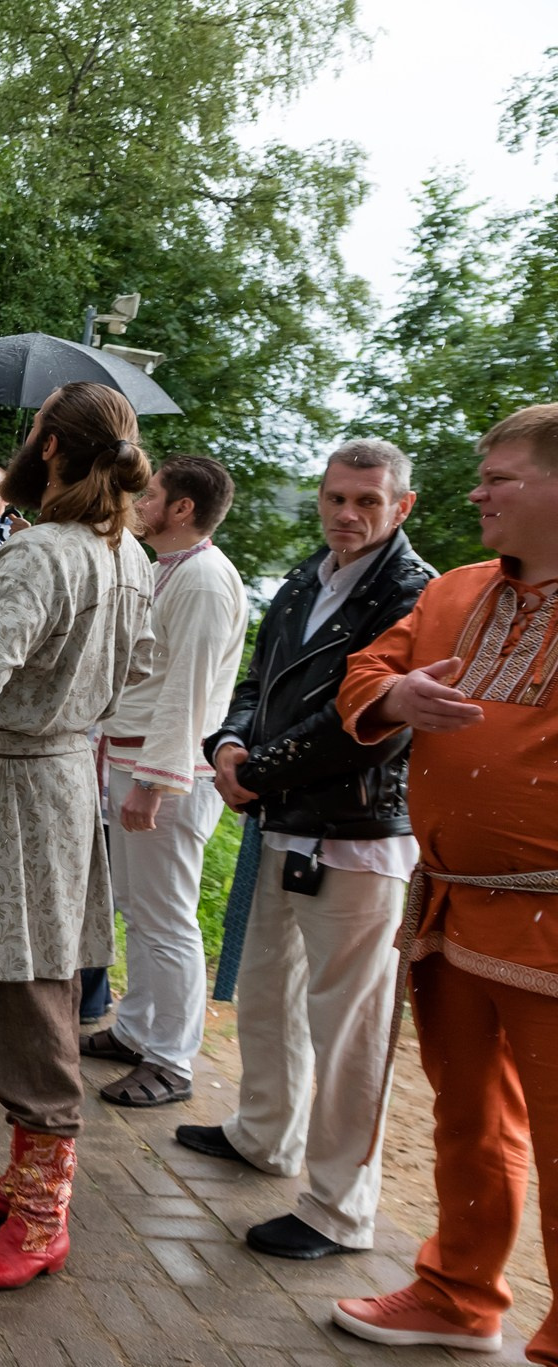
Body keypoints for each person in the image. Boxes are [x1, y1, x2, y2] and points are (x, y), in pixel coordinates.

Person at [330, 404, 558, 1362]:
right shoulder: (455, 590)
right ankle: (459, 1294)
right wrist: (394, 694)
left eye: (498, 476)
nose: (478, 492)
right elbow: (362, 672)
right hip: (454, 905)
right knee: (466, 1114)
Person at [175, 438, 432, 1261]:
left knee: (348, 1027)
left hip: (356, 835)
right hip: (282, 816)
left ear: (402, 506)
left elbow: (374, 732)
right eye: (335, 498)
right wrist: (229, 746)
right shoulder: (303, 579)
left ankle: (338, 1207)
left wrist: (261, 769)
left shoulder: (414, 594)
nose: (348, 514)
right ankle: (264, 1132)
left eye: (366, 500)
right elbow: (258, 682)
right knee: (265, 991)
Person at [0, 382, 156, 1291]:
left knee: (21, 982)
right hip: (62, 773)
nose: (26, 443)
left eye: (33, 432)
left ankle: (43, 1211)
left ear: (53, 448)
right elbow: (140, 666)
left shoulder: (40, 554)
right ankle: (27, 1178)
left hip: (19, 778)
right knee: (32, 971)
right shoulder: (129, 553)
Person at [80, 456, 249, 1108]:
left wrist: (155, 781)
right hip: (134, 759)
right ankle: (137, 1027)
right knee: (141, 909)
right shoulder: (168, 568)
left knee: (169, 917)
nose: (140, 503)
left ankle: (172, 1060)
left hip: (168, 773)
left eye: (150, 494)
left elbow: (189, 690)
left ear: (183, 508)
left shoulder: (204, 579)